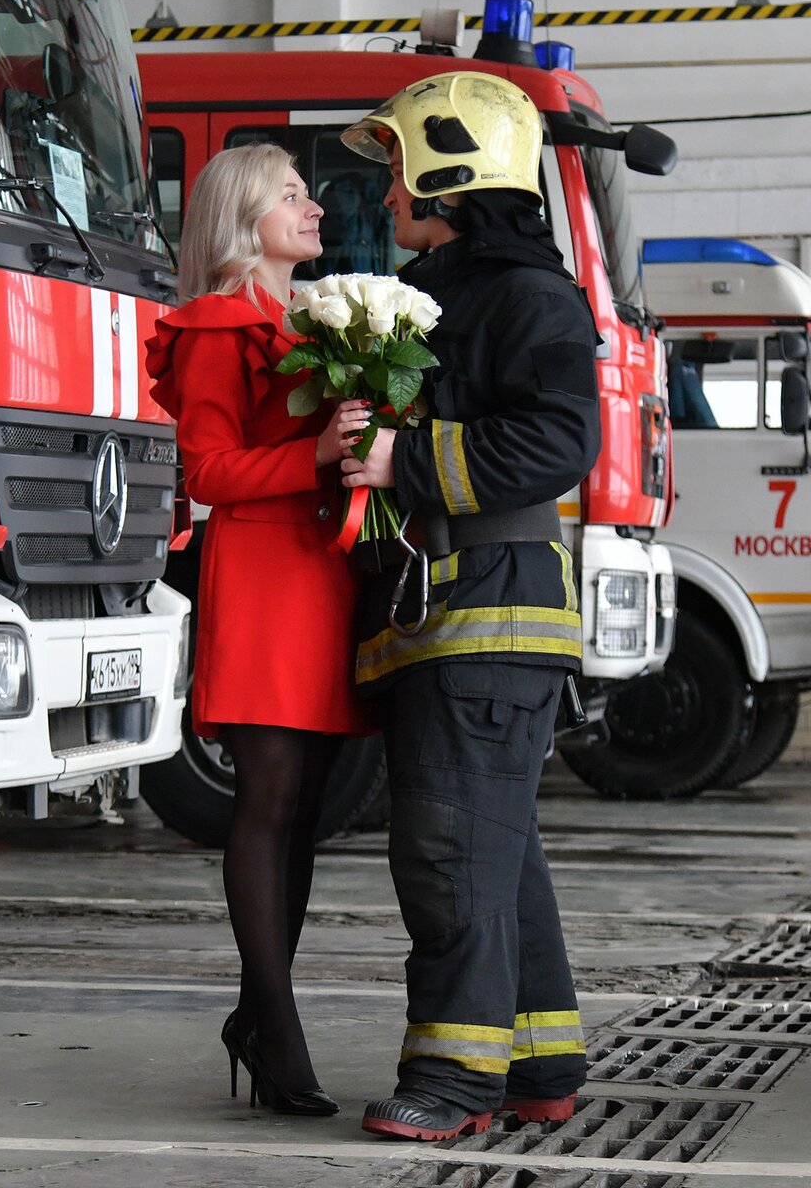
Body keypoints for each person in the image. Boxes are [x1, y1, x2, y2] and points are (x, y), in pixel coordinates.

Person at [334, 72, 599, 1141]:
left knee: (449, 853)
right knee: (495, 851)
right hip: (457, 616)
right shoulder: (465, 291)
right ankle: (539, 1064)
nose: (386, 190)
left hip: (487, 619)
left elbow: (557, 442)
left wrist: (403, 453)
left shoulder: (528, 296)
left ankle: (454, 1084)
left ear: (451, 171)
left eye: (397, 167)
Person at [144, 144, 370, 1116]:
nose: (313, 207)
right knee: (270, 798)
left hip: (321, 571)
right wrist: (317, 454)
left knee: (307, 804)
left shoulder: (306, 322)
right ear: (243, 216)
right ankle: (277, 1033)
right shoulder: (215, 328)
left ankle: (257, 1014)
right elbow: (206, 474)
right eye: (291, 195)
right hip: (266, 571)